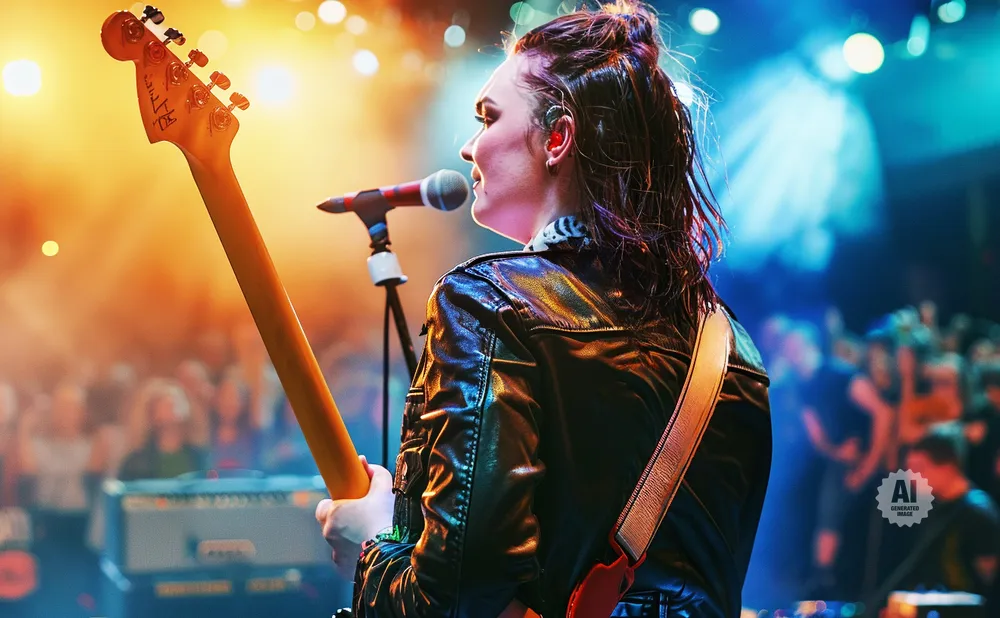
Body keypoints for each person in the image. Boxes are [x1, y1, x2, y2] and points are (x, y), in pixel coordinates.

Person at [315, 3, 772, 617]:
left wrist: (370, 545)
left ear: (557, 138)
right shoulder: (732, 344)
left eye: (488, 117)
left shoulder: (490, 303)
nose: (468, 146)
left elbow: (455, 601)